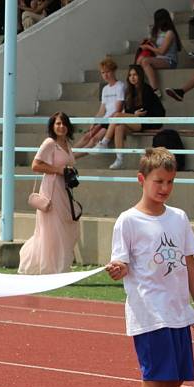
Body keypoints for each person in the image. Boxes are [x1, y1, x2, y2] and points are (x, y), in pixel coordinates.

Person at [105, 147, 194, 387]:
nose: (164, 188)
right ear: (141, 180)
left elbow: (189, 262)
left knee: (177, 377)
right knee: (155, 374)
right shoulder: (128, 221)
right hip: (148, 312)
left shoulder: (179, 218)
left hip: (177, 310)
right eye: (159, 181)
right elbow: (121, 262)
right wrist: (118, 269)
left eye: (170, 182)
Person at [18, 112, 79, 274]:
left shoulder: (66, 143)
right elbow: (35, 165)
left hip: (65, 190)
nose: (61, 127)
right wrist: (58, 170)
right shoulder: (49, 143)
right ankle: (49, 266)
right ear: (52, 125)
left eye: (64, 123)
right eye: (58, 123)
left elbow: (69, 162)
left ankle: (60, 265)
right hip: (51, 190)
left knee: (67, 226)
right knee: (52, 229)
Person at [95, 65, 165, 170]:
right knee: (119, 127)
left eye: (135, 75)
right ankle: (119, 159)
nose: (132, 77)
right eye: (130, 75)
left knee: (117, 115)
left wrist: (134, 114)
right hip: (137, 120)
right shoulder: (130, 91)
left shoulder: (146, 89)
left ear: (140, 76)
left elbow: (143, 110)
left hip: (149, 120)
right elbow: (129, 110)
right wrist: (133, 114)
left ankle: (104, 142)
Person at [74, 57, 125, 149]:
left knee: (94, 140)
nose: (105, 75)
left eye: (108, 72)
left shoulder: (120, 86)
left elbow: (118, 110)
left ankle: (70, 159)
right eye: (103, 73)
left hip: (113, 121)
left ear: (114, 71)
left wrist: (100, 124)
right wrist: (95, 121)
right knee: (86, 136)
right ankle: (67, 155)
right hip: (104, 120)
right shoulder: (105, 89)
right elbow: (102, 110)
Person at [135, 8, 181, 99]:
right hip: (160, 58)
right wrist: (149, 42)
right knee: (139, 61)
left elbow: (162, 51)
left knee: (145, 61)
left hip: (169, 61)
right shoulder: (161, 32)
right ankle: (138, 88)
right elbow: (157, 47)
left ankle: (155, 90)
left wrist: (148, 47)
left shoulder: (170, 33)